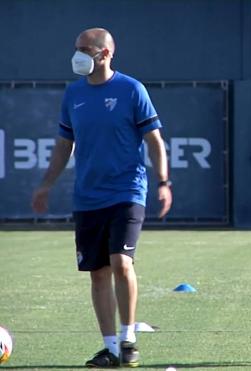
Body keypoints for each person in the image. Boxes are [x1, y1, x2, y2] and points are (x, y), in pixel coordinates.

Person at [31, 28, 172, 368]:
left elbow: (154, 140)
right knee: (97, 273)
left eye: (84, 49)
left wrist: (163, 181)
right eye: (76, 48)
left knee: (122, 264)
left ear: (105, 54)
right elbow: (65, 145)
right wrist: (46, 184)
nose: (77, 55)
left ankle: (128, 339)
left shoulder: (131, 89)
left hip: (127, 191)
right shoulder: (73, 94)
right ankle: (109, 348)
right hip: (88, 197)